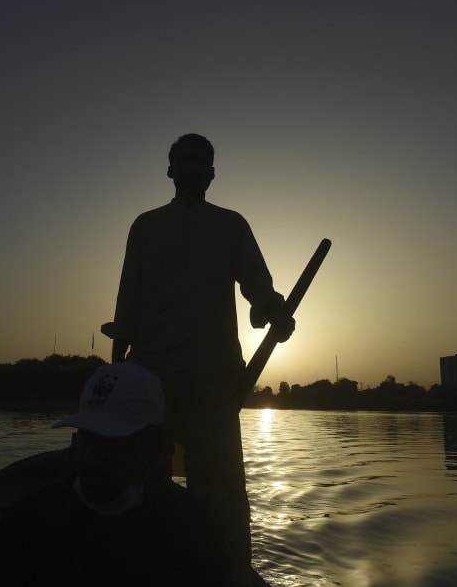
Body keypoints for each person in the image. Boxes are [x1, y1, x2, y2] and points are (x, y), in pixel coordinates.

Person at [109, 133, 295, 584]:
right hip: (151, 375)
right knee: (146, 480)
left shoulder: (231, 225)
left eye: (202, 161)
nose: (193, 168)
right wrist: (117, 375)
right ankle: (144, 566)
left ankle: (228, 571)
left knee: (223, 489)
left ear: (212, 173)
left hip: (214, 377)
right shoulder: (145, 226)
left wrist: (273, 310)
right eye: (184, 160)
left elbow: (257, 284)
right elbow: (126, 304)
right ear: (171, 170)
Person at [0, 362, 238, 586]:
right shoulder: (28, 524)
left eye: (113, 443)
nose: (92, 458)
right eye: (88, 439)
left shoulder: (194, 532)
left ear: (154, 448)